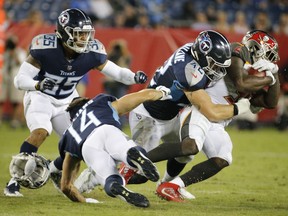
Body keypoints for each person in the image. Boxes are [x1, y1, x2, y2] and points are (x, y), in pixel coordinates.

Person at [76, 30, 253, 196]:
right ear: (203, 57)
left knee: (187, 151)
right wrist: (243, 108)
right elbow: (211, 112)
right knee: (141, 172)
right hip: (148, 116)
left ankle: (167, 184)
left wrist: (244, 50)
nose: (219, 71)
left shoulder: (196, 53)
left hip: (172, 114)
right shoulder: (190, 71)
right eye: (215, 65)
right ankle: (94, 176)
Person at [4, 8, 148, 197]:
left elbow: (117, 72)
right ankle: (14, 182)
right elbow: (19, 79)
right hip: (41, 96)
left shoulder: (92, 52)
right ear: (64, 32)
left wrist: (133, 77)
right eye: (78, 33)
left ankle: (55, 171)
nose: (83, 38)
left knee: (78, 143)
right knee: (41, 131)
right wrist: (37, 85)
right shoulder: (46, 49)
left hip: (67, 100)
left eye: (85, 34)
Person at [146, 30, 280, 202]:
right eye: (268, 54)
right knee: (190, 147)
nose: (270, 60)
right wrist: (269, 79)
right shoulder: (235, 51)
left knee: (223, 157)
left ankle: (173, 186)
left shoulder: (256, 74)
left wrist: (274, 75)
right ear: (255, 48)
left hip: (218, 122)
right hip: (200, 110)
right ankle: (135, 160)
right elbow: (241, 84)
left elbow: (271, 102)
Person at [57, 86, 172, 207]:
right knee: (126, 150)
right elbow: (140, 96)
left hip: (88, 148)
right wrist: (161, 93)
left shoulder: (68, 135)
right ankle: (135, 156)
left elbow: (65, 186)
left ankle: (114, 185)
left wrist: (84, 201)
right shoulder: (99, 103)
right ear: (87, 102)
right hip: (106, 130)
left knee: (110, 178)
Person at [0, 36, 26, 128]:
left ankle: (15, 120)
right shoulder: (3, 52)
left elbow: (21, 63)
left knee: (16, 100)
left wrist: (14, 54)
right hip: (4, 76)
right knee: (1, 99)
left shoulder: (20, 52)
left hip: (15, 77)